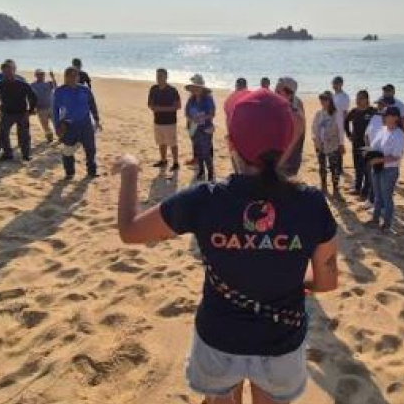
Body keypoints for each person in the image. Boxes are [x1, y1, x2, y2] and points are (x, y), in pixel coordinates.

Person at [113, 89, 339, 404]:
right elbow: (327, 282)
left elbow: (130, 231)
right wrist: (297, 282)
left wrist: (130, 170)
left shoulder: (204, 200)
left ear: (230, 144)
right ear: (288, 145)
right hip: (280, 340)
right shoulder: (311, 204)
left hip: (220, 337)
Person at [53, 67, 100, 179]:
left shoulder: (85, 90)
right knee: (68, 150)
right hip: (69, 125)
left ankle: (92, 171)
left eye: (75, 76)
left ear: (78, 77)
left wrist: (96, 119)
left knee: (90, 149)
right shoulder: (59, 91)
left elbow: (92, 104)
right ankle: (69, 173)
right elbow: (55, 110)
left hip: (85, 124)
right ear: (65, 77)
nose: (72, 78)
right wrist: (57, 125)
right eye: (69, 76)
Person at [366, 107, 404, 232]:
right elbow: (374, 146)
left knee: (386, 197)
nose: (383, 117)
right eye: (383, 115)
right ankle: (375, 220)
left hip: (389, 170)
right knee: (377, 196)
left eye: (386, 115)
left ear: (395, 118)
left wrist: (378, 160)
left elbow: (396, 156)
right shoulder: (383, 129)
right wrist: (368, 153)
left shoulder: (399, 135)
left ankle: (387, 224)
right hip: (377, 167)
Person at [0, 59, 27, 153]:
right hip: (5, 107)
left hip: (20, 108)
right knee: (2, 127)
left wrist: (28, 108)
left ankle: (21, 144)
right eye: (7, 67)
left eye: (12, 67)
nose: (9, 70)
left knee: (21, 127)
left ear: (14, 68)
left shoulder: (20, 78)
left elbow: (26, 94)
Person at [344, 90, 378, 200]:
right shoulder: (354, 111)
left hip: (368, 144)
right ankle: (357, 187)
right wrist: (349, 134)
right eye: (357, 98)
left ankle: (365, 192)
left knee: (367, 169)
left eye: (360, 98)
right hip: (356, 143)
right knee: (357, 167)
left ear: (366, 99)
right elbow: (346, 121)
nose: (357, 101)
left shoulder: (373, 111)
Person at [148, 68, 181, 171]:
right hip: (157, 121)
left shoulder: (172, 90)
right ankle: (163, 160)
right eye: (157, 76)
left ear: (166, 77)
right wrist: (153, 107)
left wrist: (161, 109)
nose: (159, 78)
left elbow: (178, 106)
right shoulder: (153, 89)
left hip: (170, 122)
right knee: (161, 142)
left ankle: (176, 163)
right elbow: (150, 104)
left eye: (161, 76)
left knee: (172, 143)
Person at [312, 91, 344, 197]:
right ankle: (324, 186)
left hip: (333, 145)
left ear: (330, 101)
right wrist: (315, 141)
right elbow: (314, 128)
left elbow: (341, 130)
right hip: (320, 145)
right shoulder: (318, 114)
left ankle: (335, 188)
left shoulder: (336, 114)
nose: (323, 102)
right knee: (322, 167)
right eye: (321, 100)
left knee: (334, 168)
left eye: (325, 100)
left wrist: (341, 144)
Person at [185, 74, 217, 182]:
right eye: (194, 87)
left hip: (205, 129)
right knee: (198, 151)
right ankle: (201, 171)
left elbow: (212, 114)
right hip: (193, 129)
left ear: (202, 88)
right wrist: (192, 119)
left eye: (197, 87)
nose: (195, 89)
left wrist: (202, 117)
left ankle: (210, 174)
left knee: (206, 153)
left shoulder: (208, 99)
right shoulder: (191, 99)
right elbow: (186, 113)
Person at [276, 77, 306, 177]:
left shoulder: (295, 110)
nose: (276, 91)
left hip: (287, 159)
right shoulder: (294, 103)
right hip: (283, 156)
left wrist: (278, 164)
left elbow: (293, 142)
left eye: (278, 89)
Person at [31, 69, 56, 143]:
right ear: (35, 75)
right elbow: (30, 97)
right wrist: (32, 107)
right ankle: (49, 136)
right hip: (41, 108)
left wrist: (53, 77)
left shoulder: (49, 83)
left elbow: (56, 87)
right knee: (45, 125)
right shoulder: (32, 85)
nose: (41, 76)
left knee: (56, 123)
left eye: (42, 74)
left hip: (52, 107)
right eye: (39, 74)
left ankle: (62, 136)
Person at [331, 76, 350, 153]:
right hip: (331, 123)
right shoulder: (332, 96)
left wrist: (345, 127)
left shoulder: (345, 96)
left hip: (340, 124)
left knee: (339, 146)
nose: (334, 85)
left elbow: (345, 113)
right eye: (333, 83)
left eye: (336, 83)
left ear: (341, 84)